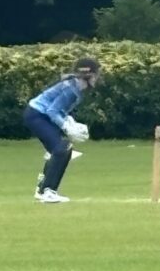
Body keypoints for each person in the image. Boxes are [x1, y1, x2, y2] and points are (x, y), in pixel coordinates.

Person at [23, 56, 102, 202]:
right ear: (88, 74)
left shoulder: (74, 85)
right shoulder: (72, 90)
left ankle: (42, 190)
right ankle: (48, 191)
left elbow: (59, 110)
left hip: (38, 114)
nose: (97, 77)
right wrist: (66, 127)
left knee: (59, 150)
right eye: (96, 74)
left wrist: (69, 121)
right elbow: (52, 111)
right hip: (37, 115)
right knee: (62, 148)